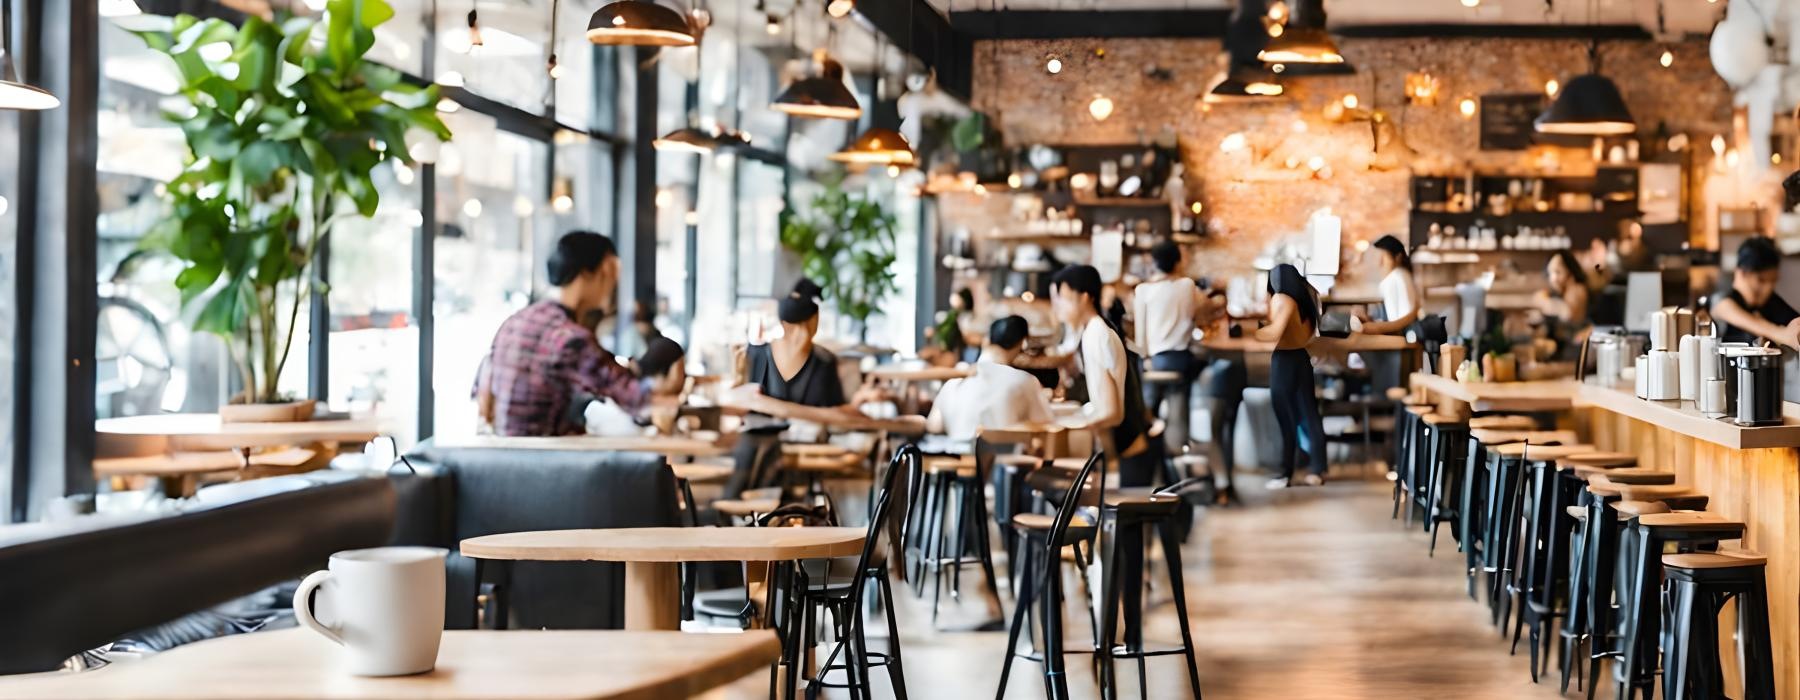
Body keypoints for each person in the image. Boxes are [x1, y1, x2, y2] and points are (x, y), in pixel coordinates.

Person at [477, 231, 648, 436]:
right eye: (611, 271)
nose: (613, 284)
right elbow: (637, 398)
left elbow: (483, 401)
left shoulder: (514, 323)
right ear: (588, 273)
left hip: (504, 457)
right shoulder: (570, 337)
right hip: (547, 460)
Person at [1049, 265, 1154, 485]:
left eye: (1064, 299)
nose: (1059, 307)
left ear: (1084, 298)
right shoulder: (1095, 330)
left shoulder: (1096, 334)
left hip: (1124, 452)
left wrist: (1069, 422)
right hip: (1123, 447)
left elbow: (1110, 412)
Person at [927, 316, 1056, 442]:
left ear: (988, 340)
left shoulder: (953, 382)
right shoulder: (1025, 380)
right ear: (1023, 343)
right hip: (1001, 460)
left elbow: (933, 426)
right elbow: (1045, 425)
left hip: (957, 459)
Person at [1257, 264, 1327, 488]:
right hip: (1301, 358)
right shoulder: (1307, 297)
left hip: (1284, 361)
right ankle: (1317, 469)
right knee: (1309, 414)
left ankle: (1284, 473)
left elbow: (1275, 331)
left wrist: (1251, 330)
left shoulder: (1283, 299)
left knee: (1284, 419)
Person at [1133, 241, 1215, 424]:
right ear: (1178, 262)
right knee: (1209, 360)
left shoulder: (1142, 290)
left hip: (1155, 361)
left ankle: (1152, 412)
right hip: (1181, 360)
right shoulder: (1187, 285)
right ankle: (1181, 420)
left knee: (1148, 380)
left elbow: (1140, 339)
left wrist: (1146, 360)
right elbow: (1205, 310)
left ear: (1154, 263)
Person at [1199, 288, 1246, 504]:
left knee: (1218, 434)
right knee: (1223, 434)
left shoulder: (1208, 329)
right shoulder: (1232, 327)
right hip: (1231, 382)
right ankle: (1225, 484)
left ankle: (1223, 484)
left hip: (1223, 386)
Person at [1715, 236, 1800, 348]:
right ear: (1742, 273)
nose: (1768, 288)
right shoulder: (1725, 296)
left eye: (1773, 281)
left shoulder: (1770, 302)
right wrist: (1780, 334)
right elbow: (1722, 308)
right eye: (1761, 280)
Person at [1354, 235, 1419, 336]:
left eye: (1383, 258)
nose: (1379, 263)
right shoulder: (1403, 275)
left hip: (1401, 336)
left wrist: (1375, 327)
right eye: (1378, 257)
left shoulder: (1395, 276)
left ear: (1398, 258)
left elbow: (1399, 323)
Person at [1538, 249, 1592, 358]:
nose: (1553, 278)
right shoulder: (1561, 292)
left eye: (1558, 272)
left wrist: (1543, 302)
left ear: (1570, 271)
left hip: (1577, 352)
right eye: (1550, 273)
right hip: (1567, 349)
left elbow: (1568, 312)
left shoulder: (1577, 289)